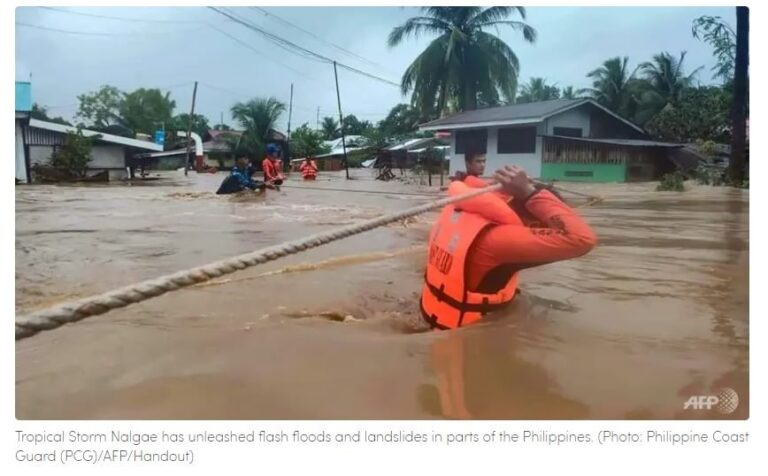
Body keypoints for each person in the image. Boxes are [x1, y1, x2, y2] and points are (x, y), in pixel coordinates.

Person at [420, 165, 597, 330]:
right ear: (535, 222)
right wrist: (529, 193)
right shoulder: (499, 241)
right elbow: (580, 239)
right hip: (471, 335)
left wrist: (520, 189)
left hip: (432, 317)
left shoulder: (467, 214)